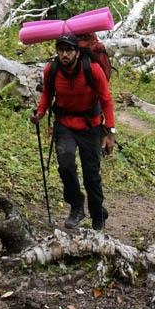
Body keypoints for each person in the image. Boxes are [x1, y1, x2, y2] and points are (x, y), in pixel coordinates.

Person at [31, 33, 116, 230]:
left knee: (91, 174)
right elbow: (47, 93)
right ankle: (77, 206)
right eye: (61, 50)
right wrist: (40, 112)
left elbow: (106, 100)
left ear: (77, 52)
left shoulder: (92, 69)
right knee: (66, 164)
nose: (64, 54)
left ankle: (97, 216)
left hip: (91, 126)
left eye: (69, 50)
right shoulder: (51, 70)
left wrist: (110, 132)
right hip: (65, 124)